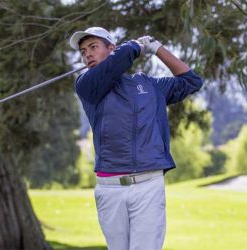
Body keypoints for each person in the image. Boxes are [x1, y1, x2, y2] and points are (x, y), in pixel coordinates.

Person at [69, 27, 203, 250]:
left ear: (111, 49)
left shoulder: (149, 85)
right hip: (109, 188)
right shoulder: (86, 85)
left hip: (148, 185)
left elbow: (191, 81)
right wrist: (133, 47)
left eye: (93, 47)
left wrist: (156, 48)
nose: (87, 55)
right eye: (83, 52)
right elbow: (116, 63)